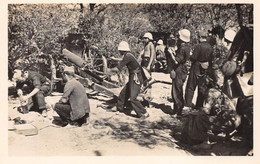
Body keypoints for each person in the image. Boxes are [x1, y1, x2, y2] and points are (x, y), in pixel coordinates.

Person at [181, 69, 241, 149]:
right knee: (202, 117)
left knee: (198, 118)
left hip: (227, 122)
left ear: (204, 84)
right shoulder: (217, 91)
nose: (200, 89)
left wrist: (192, 112)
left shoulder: (210, 93)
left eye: (201, 86)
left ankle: (203, 142)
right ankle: (226, 134)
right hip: (234, 120)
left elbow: (206, 111)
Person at [108, 41, 149, 119]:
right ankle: (119, 107)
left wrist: (108, 70)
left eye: (119, 50)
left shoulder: (127, 56)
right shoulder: (128, 55)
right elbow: (123, 60)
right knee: (124, 92)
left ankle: (144, 113)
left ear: (122, 50)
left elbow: (118, 69)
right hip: (133, 75)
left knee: (133, 97)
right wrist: (115, 59)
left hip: (136, 76)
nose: (119, 51)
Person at [184, 30, 213, 109]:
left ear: (200, 37)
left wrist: (190, 55)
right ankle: (199, 105)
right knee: (202, 87)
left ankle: (188, 103)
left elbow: (194, 58)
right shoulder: (210, 47)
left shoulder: (198, 46)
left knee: (191, 86)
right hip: (205, 68)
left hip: (196, 67)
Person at [171, 29, 191, 117]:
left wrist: (171, 53)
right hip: (183, 69)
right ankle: (177, 109)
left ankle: (178, 110)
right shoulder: (187, 47)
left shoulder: (182, 48)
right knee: (178, 88)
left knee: (177, 89)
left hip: (179, 69)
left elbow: (176, 61)